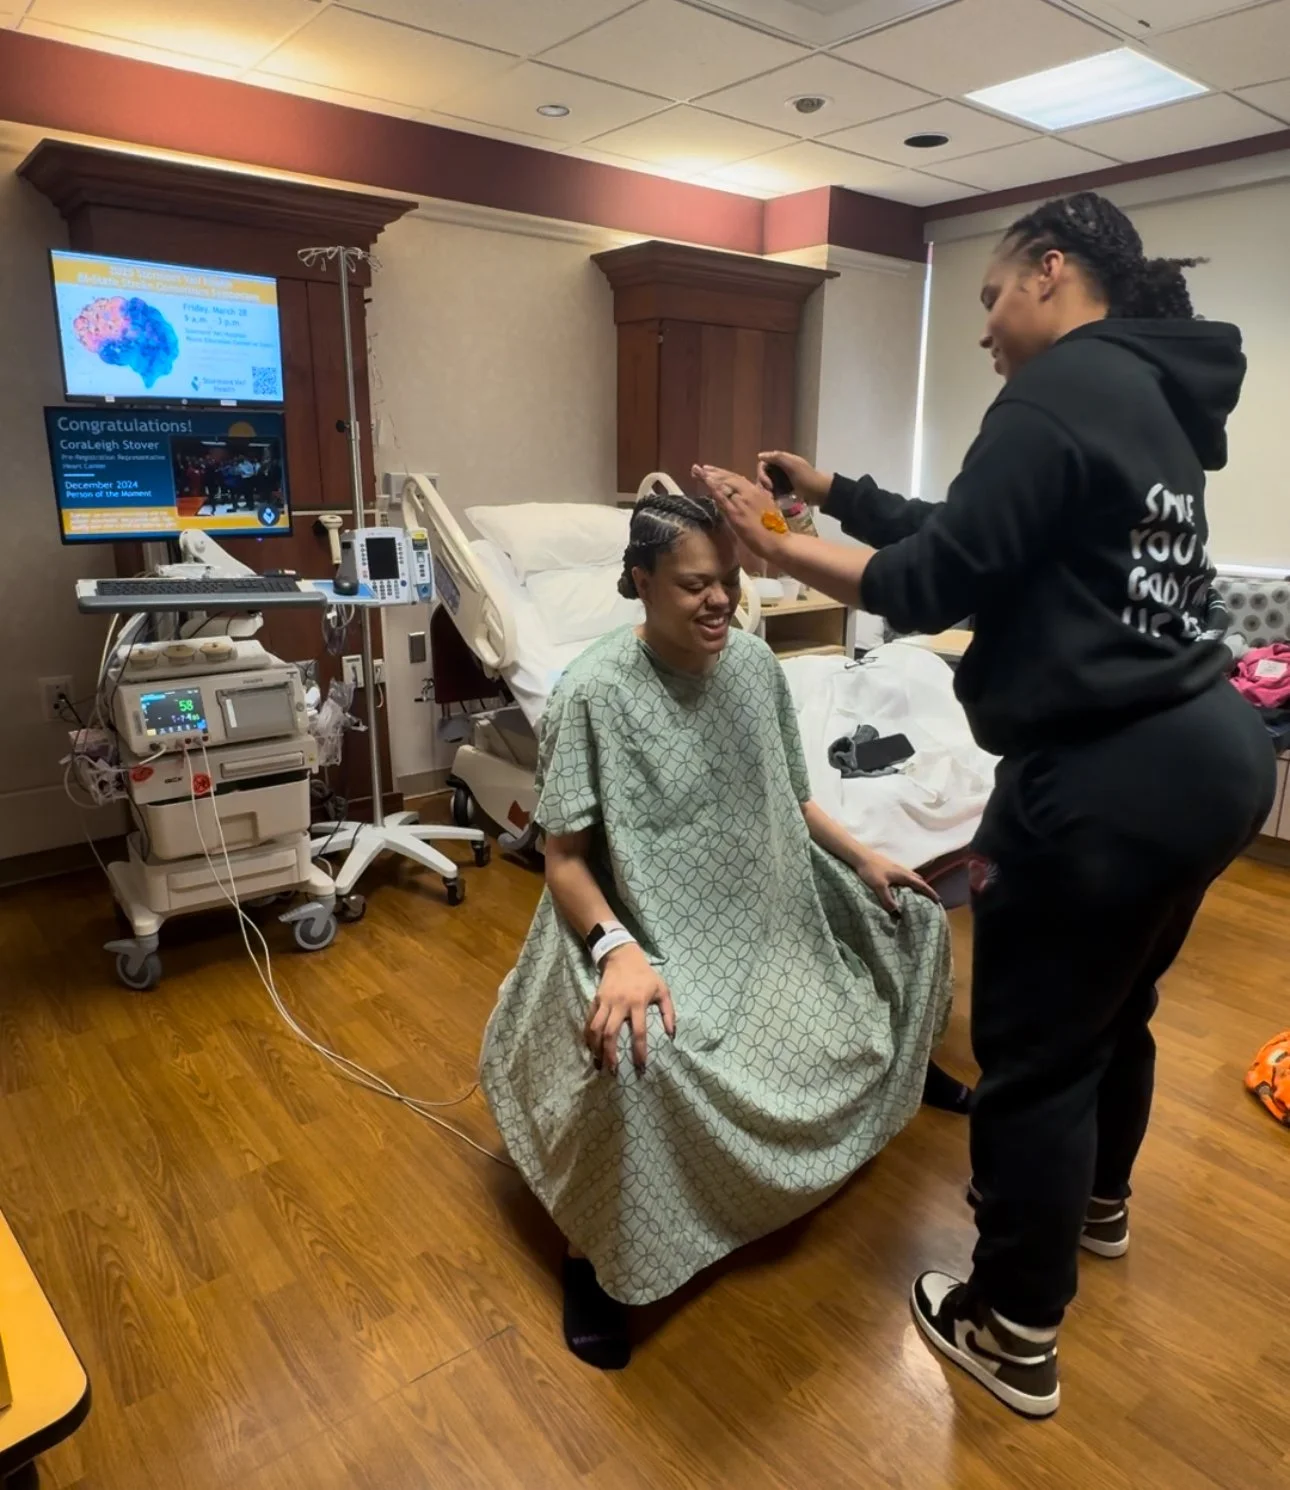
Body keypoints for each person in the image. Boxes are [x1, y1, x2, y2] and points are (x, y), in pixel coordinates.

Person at [694, 190, 1277, 1418]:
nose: (983, 327)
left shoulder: (1060, 388)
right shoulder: (1154, 396)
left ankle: (1011, 1326)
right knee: (1118, 1007)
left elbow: (934, 577)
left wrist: (773, 540)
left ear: (1050, 272)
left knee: (1034, 1057)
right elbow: (980, 535)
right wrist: (834, 486)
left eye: (990, 294)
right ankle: (1100, 1207)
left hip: (1108, 779)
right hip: (1216, 756)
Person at [479, 489, 957, 1371]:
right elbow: (564, 860)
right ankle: (597, 1258)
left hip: (772, 904)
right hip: (644, 924)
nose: (721, 602)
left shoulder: (751, 664)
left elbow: (796, 793)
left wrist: (862, 860)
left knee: (918, 922)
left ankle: (905, 1066)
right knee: (632, 1053)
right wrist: (616, 951)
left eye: (730, 582)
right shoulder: (593, 695)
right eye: (697, 584)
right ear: (640, 583)